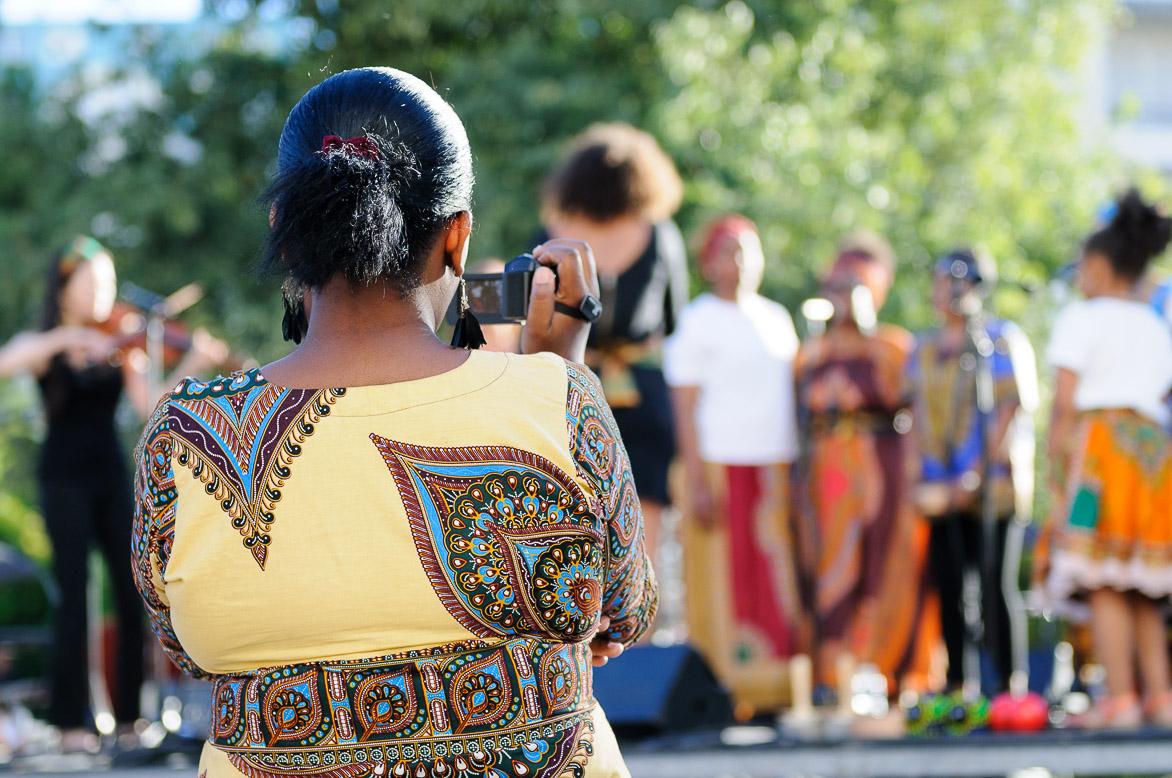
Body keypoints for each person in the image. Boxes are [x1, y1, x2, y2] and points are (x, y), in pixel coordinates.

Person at [131, 67, 657, 778]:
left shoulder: (186, 436)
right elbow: (620, 615)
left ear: (284, 232)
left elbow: (184, 645)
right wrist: (557, 369)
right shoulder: (557, 400)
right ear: (457, 238)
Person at [0, 236, 225, 751]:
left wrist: (191, 359)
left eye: (107, 282)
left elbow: (151, 401)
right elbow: (8, 359)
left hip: (107, 472)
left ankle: (128, 718)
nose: (103, 292)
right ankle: (71, 722)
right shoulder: (50, 344)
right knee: (74, 593)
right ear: (65, 287)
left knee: (131, 590)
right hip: (62, 476)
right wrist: (67, 340)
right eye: (92, 282)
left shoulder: (121, 341)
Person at [1039, 189, 1172, 728]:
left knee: (1102, 579)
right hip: (1152, 456)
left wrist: (1055, 469)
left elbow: (1065, 403)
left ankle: (1118, 696)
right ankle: (1159, 697)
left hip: (1101, 456)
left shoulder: (1084, 317)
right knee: (1140, 580)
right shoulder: (1153, 324)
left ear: (1097, 266)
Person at [664, 216, 804, 716]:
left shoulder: (776, 318)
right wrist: (697, 480)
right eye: (728, 252)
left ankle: (786, 689)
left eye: (748, 251)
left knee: (775, 580)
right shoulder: (699, 320)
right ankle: (727, 691)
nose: (740, 263)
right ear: (709, 263)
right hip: (720, 467)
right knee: (724, 583)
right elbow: (684, 406)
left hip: (774, 469)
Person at [539, 123, 688, 557]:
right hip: (641, 392)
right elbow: (672, 320)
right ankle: (640, 620)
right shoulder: (659, 233)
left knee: (571, 516)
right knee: (647, 525)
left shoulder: (552, 229)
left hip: (568, 390)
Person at [795, 232, 923, 693]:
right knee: (830, 569)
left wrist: (866, 328)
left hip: (883, 469)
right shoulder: (812, 351)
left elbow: (905, 399)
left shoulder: (893, 346)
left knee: (886, 566)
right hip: (826, 476)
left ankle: (885, 672)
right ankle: (833, 674)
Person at [906, 248, 1037, 694]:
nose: (943, 290)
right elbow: (912, 414)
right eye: (940, 280)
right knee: (948, 582)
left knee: (994, 580)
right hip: (937, 488)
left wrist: (974, 477)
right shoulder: (922, 346)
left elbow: (1009, 406)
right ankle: (959, 684)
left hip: (992, 488)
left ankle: (1009, 687)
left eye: (953, 280)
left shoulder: (999, 339)